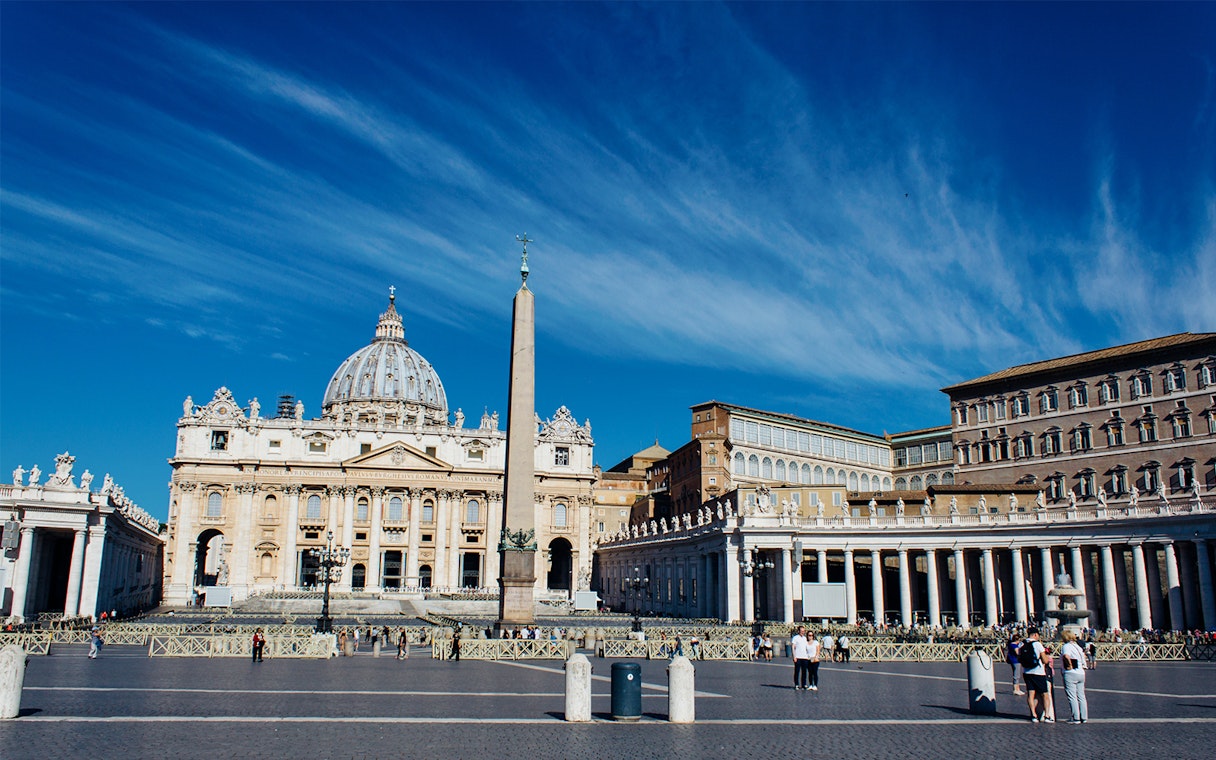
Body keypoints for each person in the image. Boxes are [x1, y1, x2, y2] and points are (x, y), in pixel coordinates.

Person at [1021, 627, 1052, 722]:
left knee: (1031, 694)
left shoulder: (1022, 644)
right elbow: (1045, 660)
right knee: (1045, 694)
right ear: (1035, 635)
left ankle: (1033, 715)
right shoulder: (1037, 644)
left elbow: (1019, 657)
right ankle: (1047, 715)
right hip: (1038, 672)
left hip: (1026, 672)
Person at [1060, 630, 1088, 724]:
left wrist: (1069, 666)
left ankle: (1076, 718)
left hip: (1071, 673)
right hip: (1081, 673)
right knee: (1081, 696)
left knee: (1072, 696)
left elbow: (1066, 656)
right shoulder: (1078, 646)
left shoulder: (1066, 646)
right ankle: (1084, 717)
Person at [790, 626, 812, 690]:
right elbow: (793, 647)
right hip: (798, 657)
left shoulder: (805, 638)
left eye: (803, 631)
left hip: (805, 657)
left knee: (804, 672)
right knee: (797, 671)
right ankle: (796, 684)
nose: (803, 632)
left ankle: (804, 684)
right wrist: (794, 656)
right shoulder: (795, 638)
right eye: (801, 631)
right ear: (798, 631)